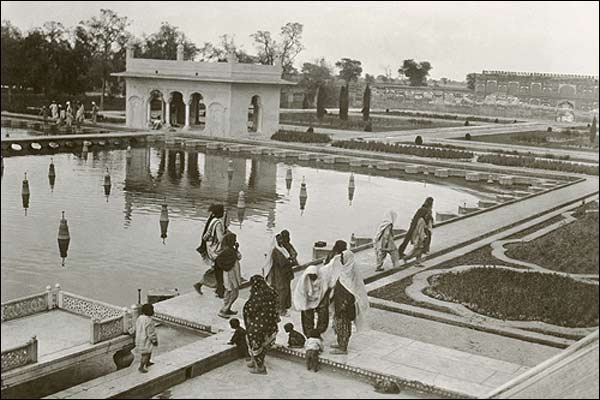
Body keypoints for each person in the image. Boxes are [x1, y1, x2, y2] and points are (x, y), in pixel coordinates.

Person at [331, 250, 369, 355]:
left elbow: (352, 292)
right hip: (339, 304)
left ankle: (343, 348)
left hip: (345, 307)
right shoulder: (344, 271)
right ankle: (340, 343)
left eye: (343, 258)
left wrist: (344, 305)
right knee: (338, 325)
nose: (341, 259)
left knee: (344, 326)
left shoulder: (351, 274)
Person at [244, 275, 279, 375]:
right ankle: (254, 361)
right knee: (262, 344)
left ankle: (260, 367)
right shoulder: (271, 292)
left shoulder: (257, 295)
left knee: (256, 344)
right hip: (269, 325)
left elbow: (251, 309)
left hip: (258, 326)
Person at [195, 204, 227, 297]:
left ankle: (218, 288)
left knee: (217, 269)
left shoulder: (212, 221)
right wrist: (227, 235)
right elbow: (221, 239)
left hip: (211, 249)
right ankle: (219, 289)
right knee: (220, 269)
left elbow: (205, 236)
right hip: (217, 251)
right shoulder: (218, 223)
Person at [293, 265, 331, 336]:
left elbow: (324, 290)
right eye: (311, 275)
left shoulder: (322, 279)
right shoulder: (303, 281)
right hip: (307, 299)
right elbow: (301, 295)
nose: (312, 277)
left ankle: (319, 331)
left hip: (320, 298)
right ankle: (309, 333)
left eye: (314, 275)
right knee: (307, 314)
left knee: (323, 312)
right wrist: (305, 305)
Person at [263, 234, 295, 316]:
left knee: (284, 290)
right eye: (279, 240)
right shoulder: (275, 251)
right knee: (282, 290)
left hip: (283, 273)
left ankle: (281, 307)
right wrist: (290, 261)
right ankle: (281, 310)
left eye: (281, 239)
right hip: (279, 274)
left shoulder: (281, 248)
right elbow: (282, 262)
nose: (281, 241)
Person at [216, 232, 242, 318]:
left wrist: (236, 248)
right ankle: (224, 309)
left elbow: (238, 256)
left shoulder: (230, 250)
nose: (235, 241)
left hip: (229, 274)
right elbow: (238, 257)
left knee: (228, 291)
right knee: (235, 292)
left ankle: (227, 308)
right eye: (234, 240)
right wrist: (227, 267)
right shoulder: (228, 251)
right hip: (231, 275)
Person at [135, 303, 158, 373]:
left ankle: (147, 362)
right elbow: (150, 332)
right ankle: (141, 367)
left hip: (139, 338)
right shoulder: (149, 321)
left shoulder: (140, 318)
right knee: (146, 354)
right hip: (146, 340)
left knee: (146, 352)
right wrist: (154, 340)